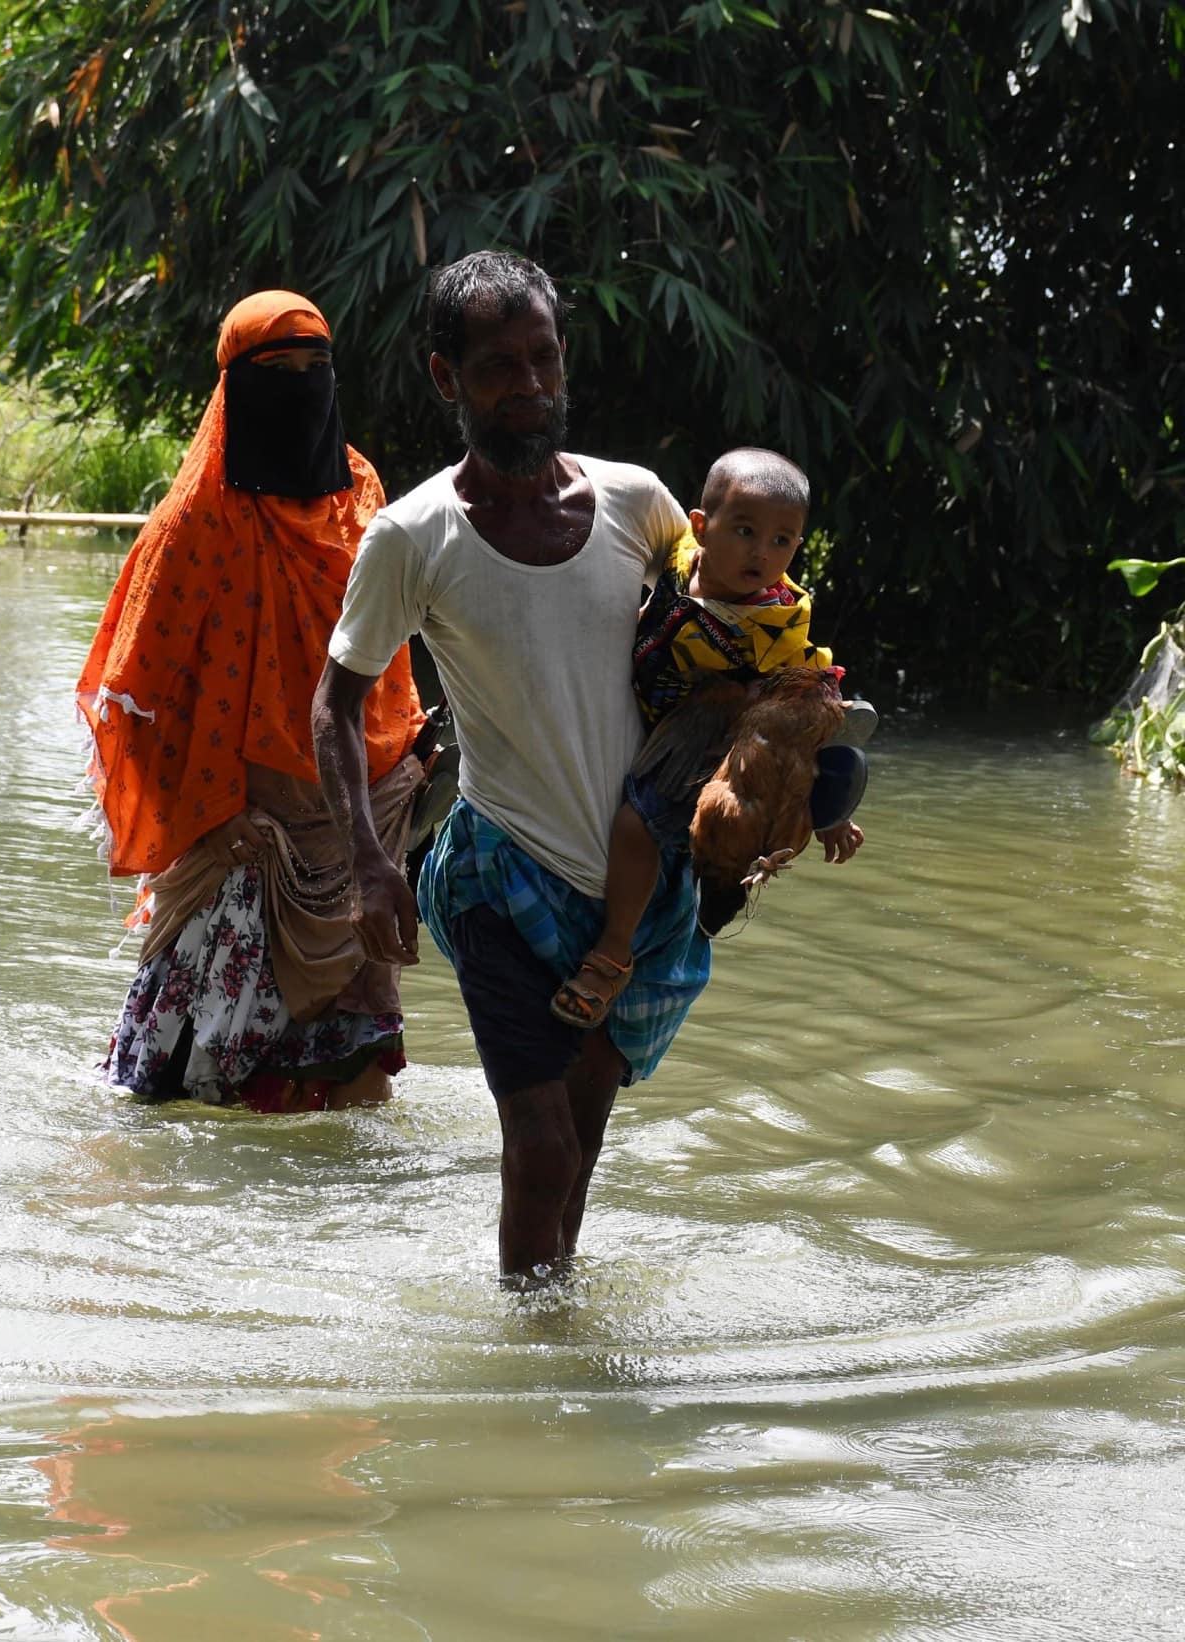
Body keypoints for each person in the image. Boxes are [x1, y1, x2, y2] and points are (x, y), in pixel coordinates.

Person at [314, 251, 854, 1284]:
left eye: (542, 359)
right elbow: (335, 704)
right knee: (543, 1141)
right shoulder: (412, 536)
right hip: (498, 873)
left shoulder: (636, 503)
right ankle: (533, 1377)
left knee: (587, 1132)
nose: (527, 387)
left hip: (636, 877)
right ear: (446, 379)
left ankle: (551, 1309)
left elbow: (737, 620)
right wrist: (370, 864)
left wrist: (787, 769)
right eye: (497, 368)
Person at [80, 291, 426, 1114]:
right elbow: (140, 693)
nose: (301, 386)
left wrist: (405, 758)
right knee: (198, 1078)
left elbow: (388, 644)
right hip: (241, 829)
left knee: (359, 1071)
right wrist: (212, 815)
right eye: (278, 372)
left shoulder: (360, 489)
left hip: (355, 810)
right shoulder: (194, 524)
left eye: (317, 368)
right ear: (235, 385)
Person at [549, 447, 868, 1026]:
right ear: (701, 527)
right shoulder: (675, 557)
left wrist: (834, 810)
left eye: (781, 541)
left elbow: (808, 707)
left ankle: (611, 953)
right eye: (745, 531)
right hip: (651, 699)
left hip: (717, 727)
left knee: (637, 822)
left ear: (798, 547)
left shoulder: (775, 621)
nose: (761, 553)